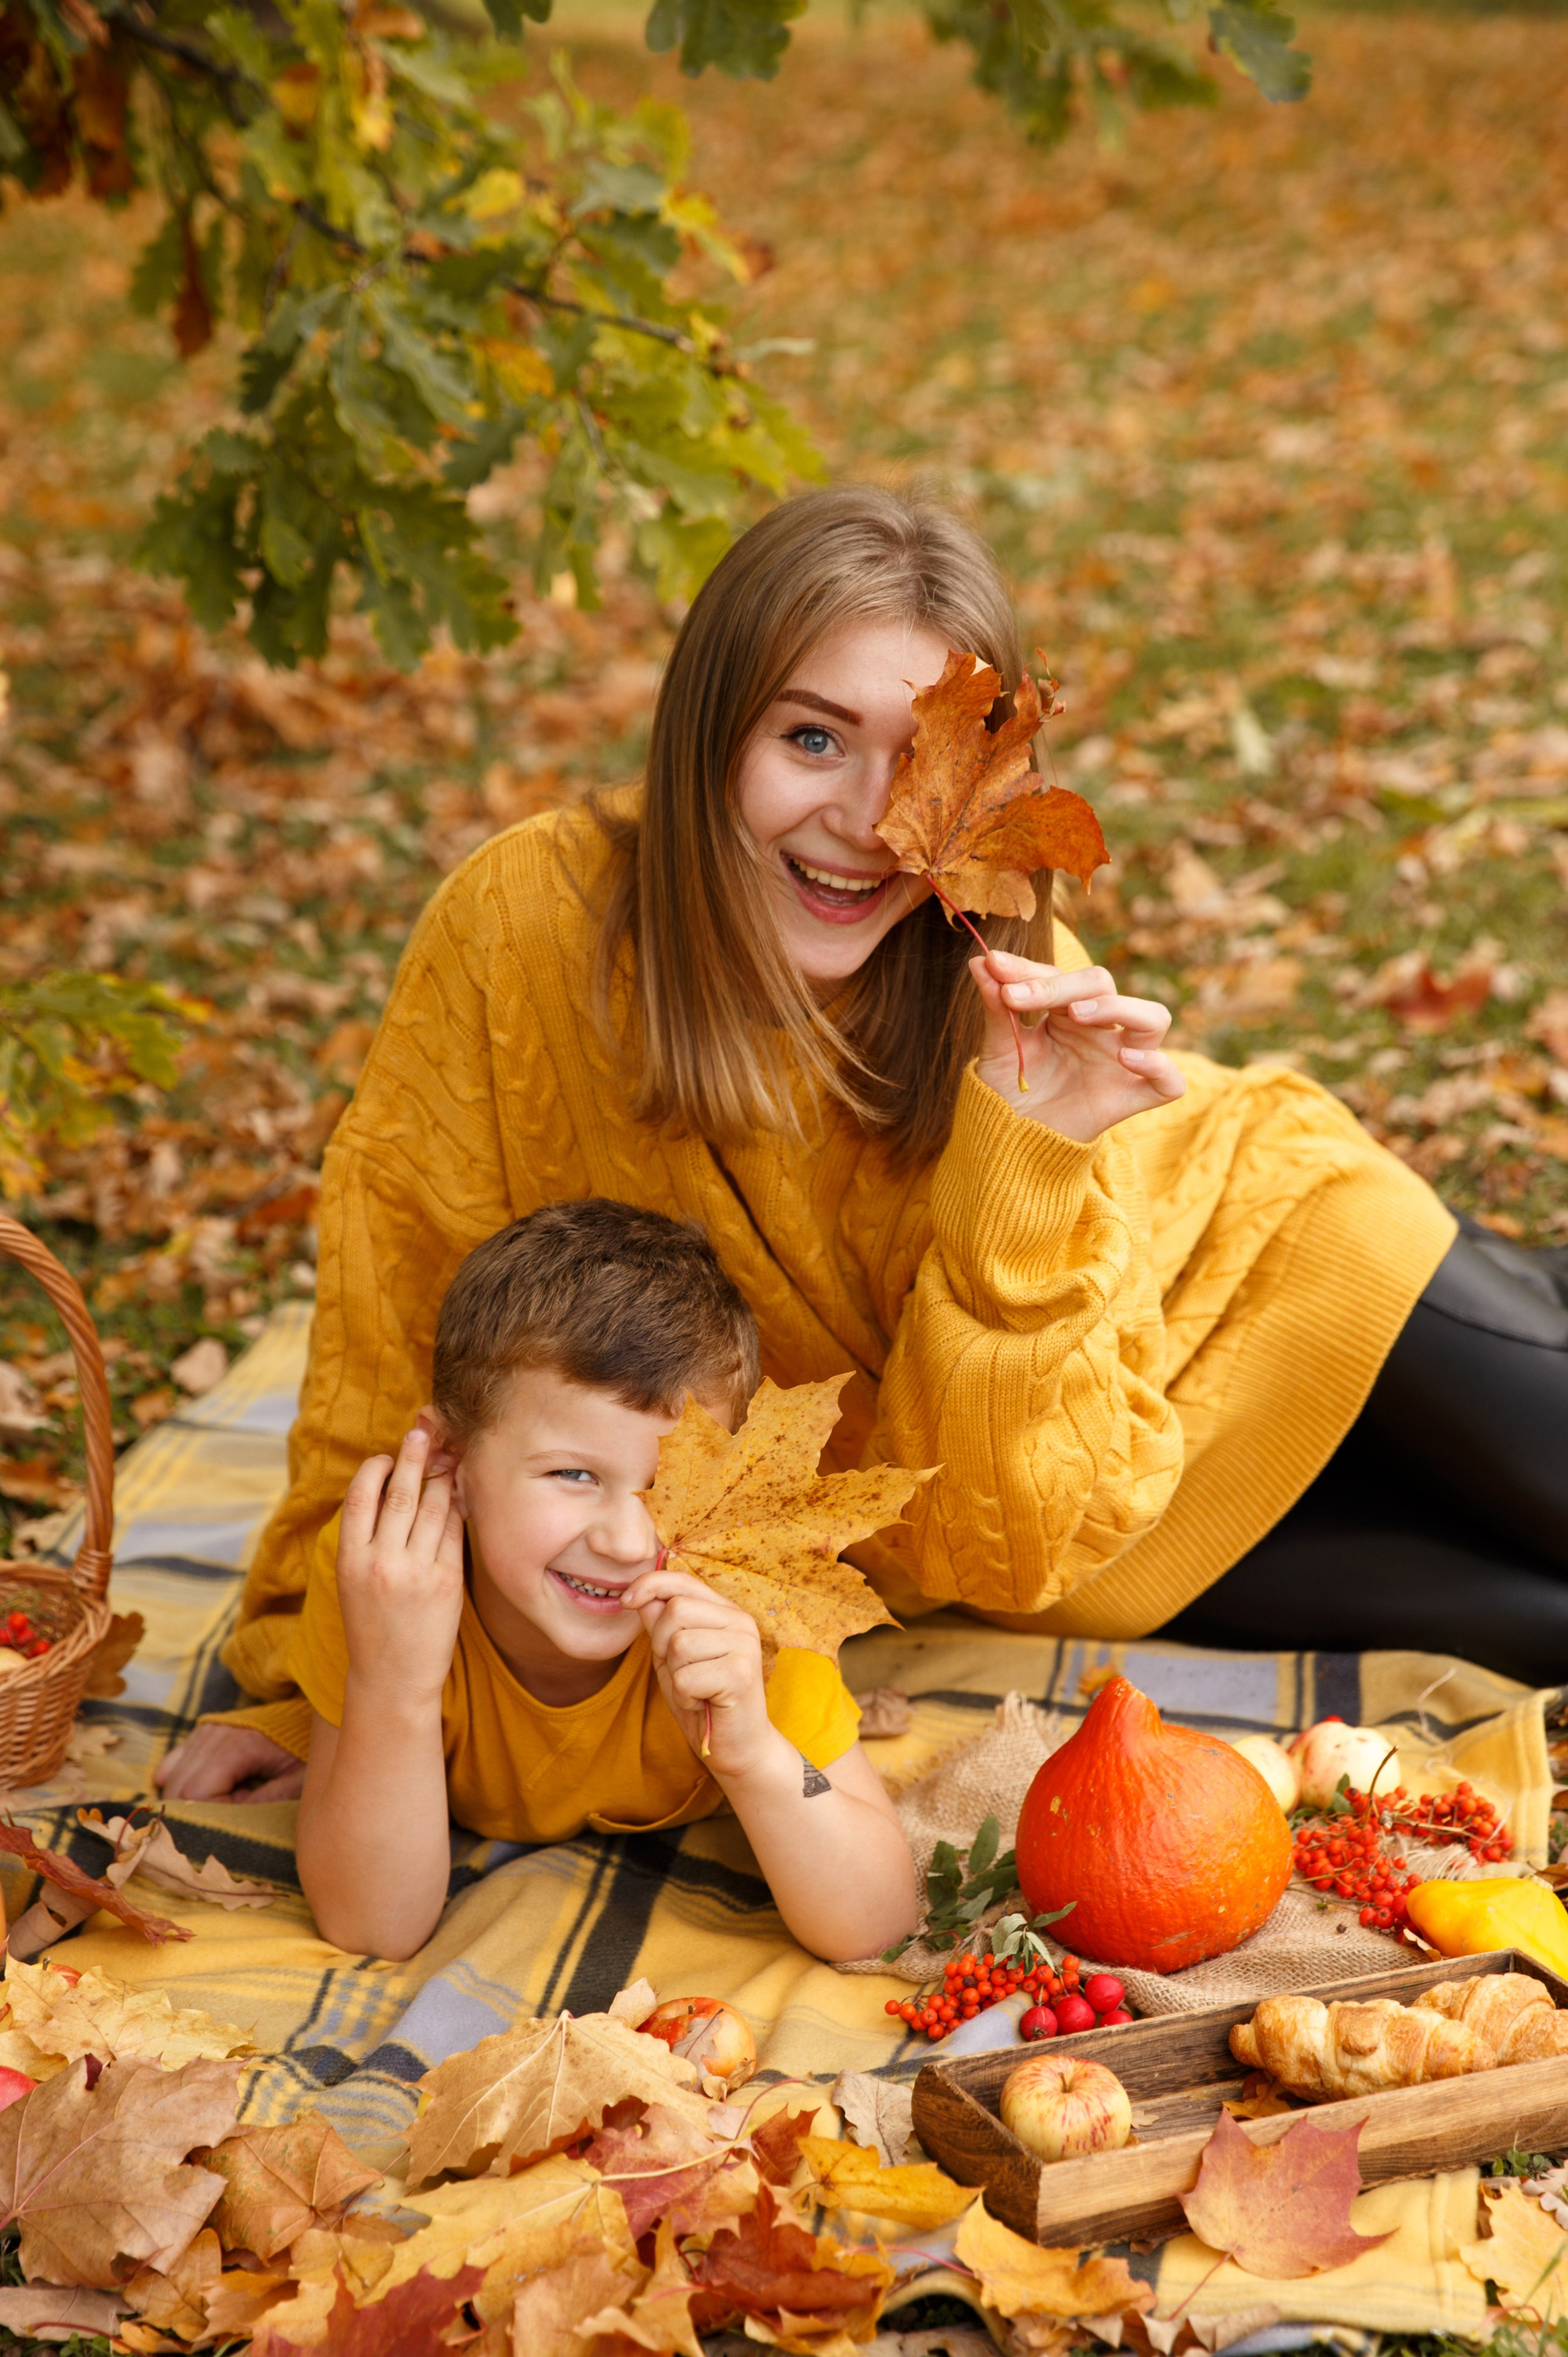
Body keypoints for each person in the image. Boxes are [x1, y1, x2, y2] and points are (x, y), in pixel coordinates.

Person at [159, 484, 1568, 1812]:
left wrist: (1032, 1154)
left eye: (923, 768)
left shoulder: (997, 978)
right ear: (710, 732)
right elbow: (398, 1298)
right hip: (1102, 1526)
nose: (864, 824)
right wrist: (309, 1676)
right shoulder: (528, 927)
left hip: (1279, 1268)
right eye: (811, 738)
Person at [287, 1197, 918, 1962]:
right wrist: (394, 1684)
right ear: (450, 1457)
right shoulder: (388, 1573)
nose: (624, 1540)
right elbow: (372, 1927)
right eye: (572, 1472)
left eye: (668, 1484)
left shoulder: (743, 1596)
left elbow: (880, 1919)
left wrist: (754, 1751)